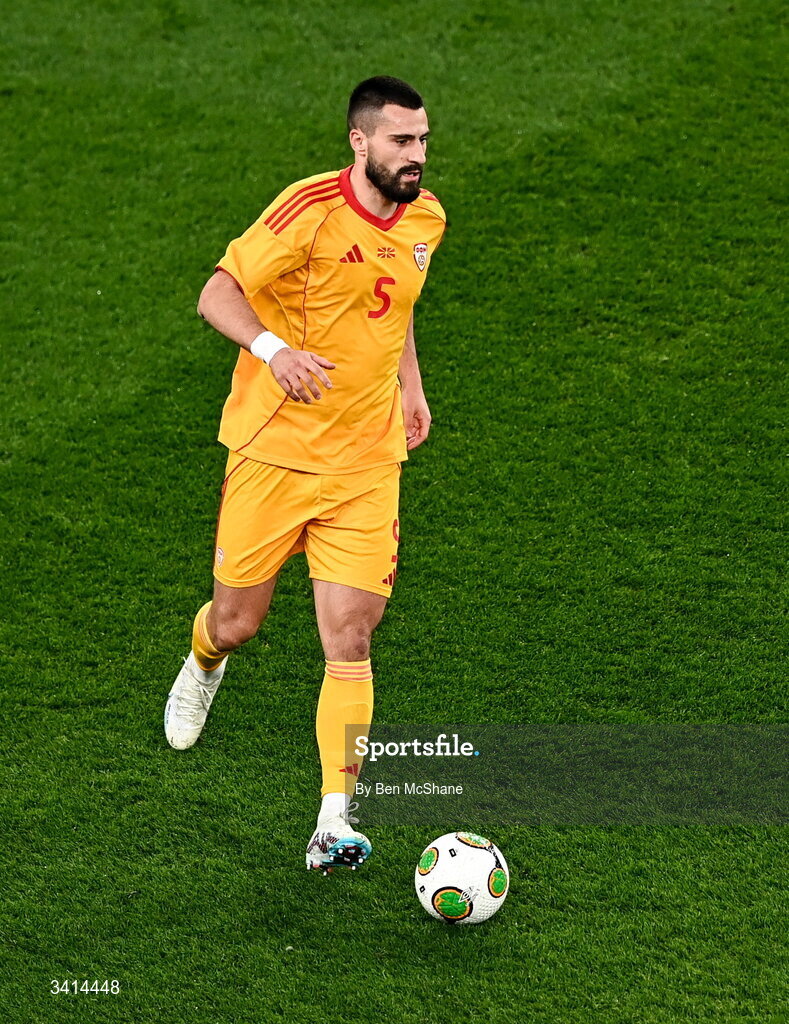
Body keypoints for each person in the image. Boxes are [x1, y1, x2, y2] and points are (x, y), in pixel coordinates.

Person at [164, 75, 446, 874]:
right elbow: (216, 292)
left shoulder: (426, 216)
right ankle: (203, 662)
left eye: (422, 140)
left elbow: (395, 309)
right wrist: (274, 351)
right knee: (237, 623)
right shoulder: (309, 210)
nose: (415, 155)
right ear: (360, 142)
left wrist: (409, 387)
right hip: (274, 453)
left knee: (350, 637)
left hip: (365, 462)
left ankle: (333, 817)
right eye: (400, 141)